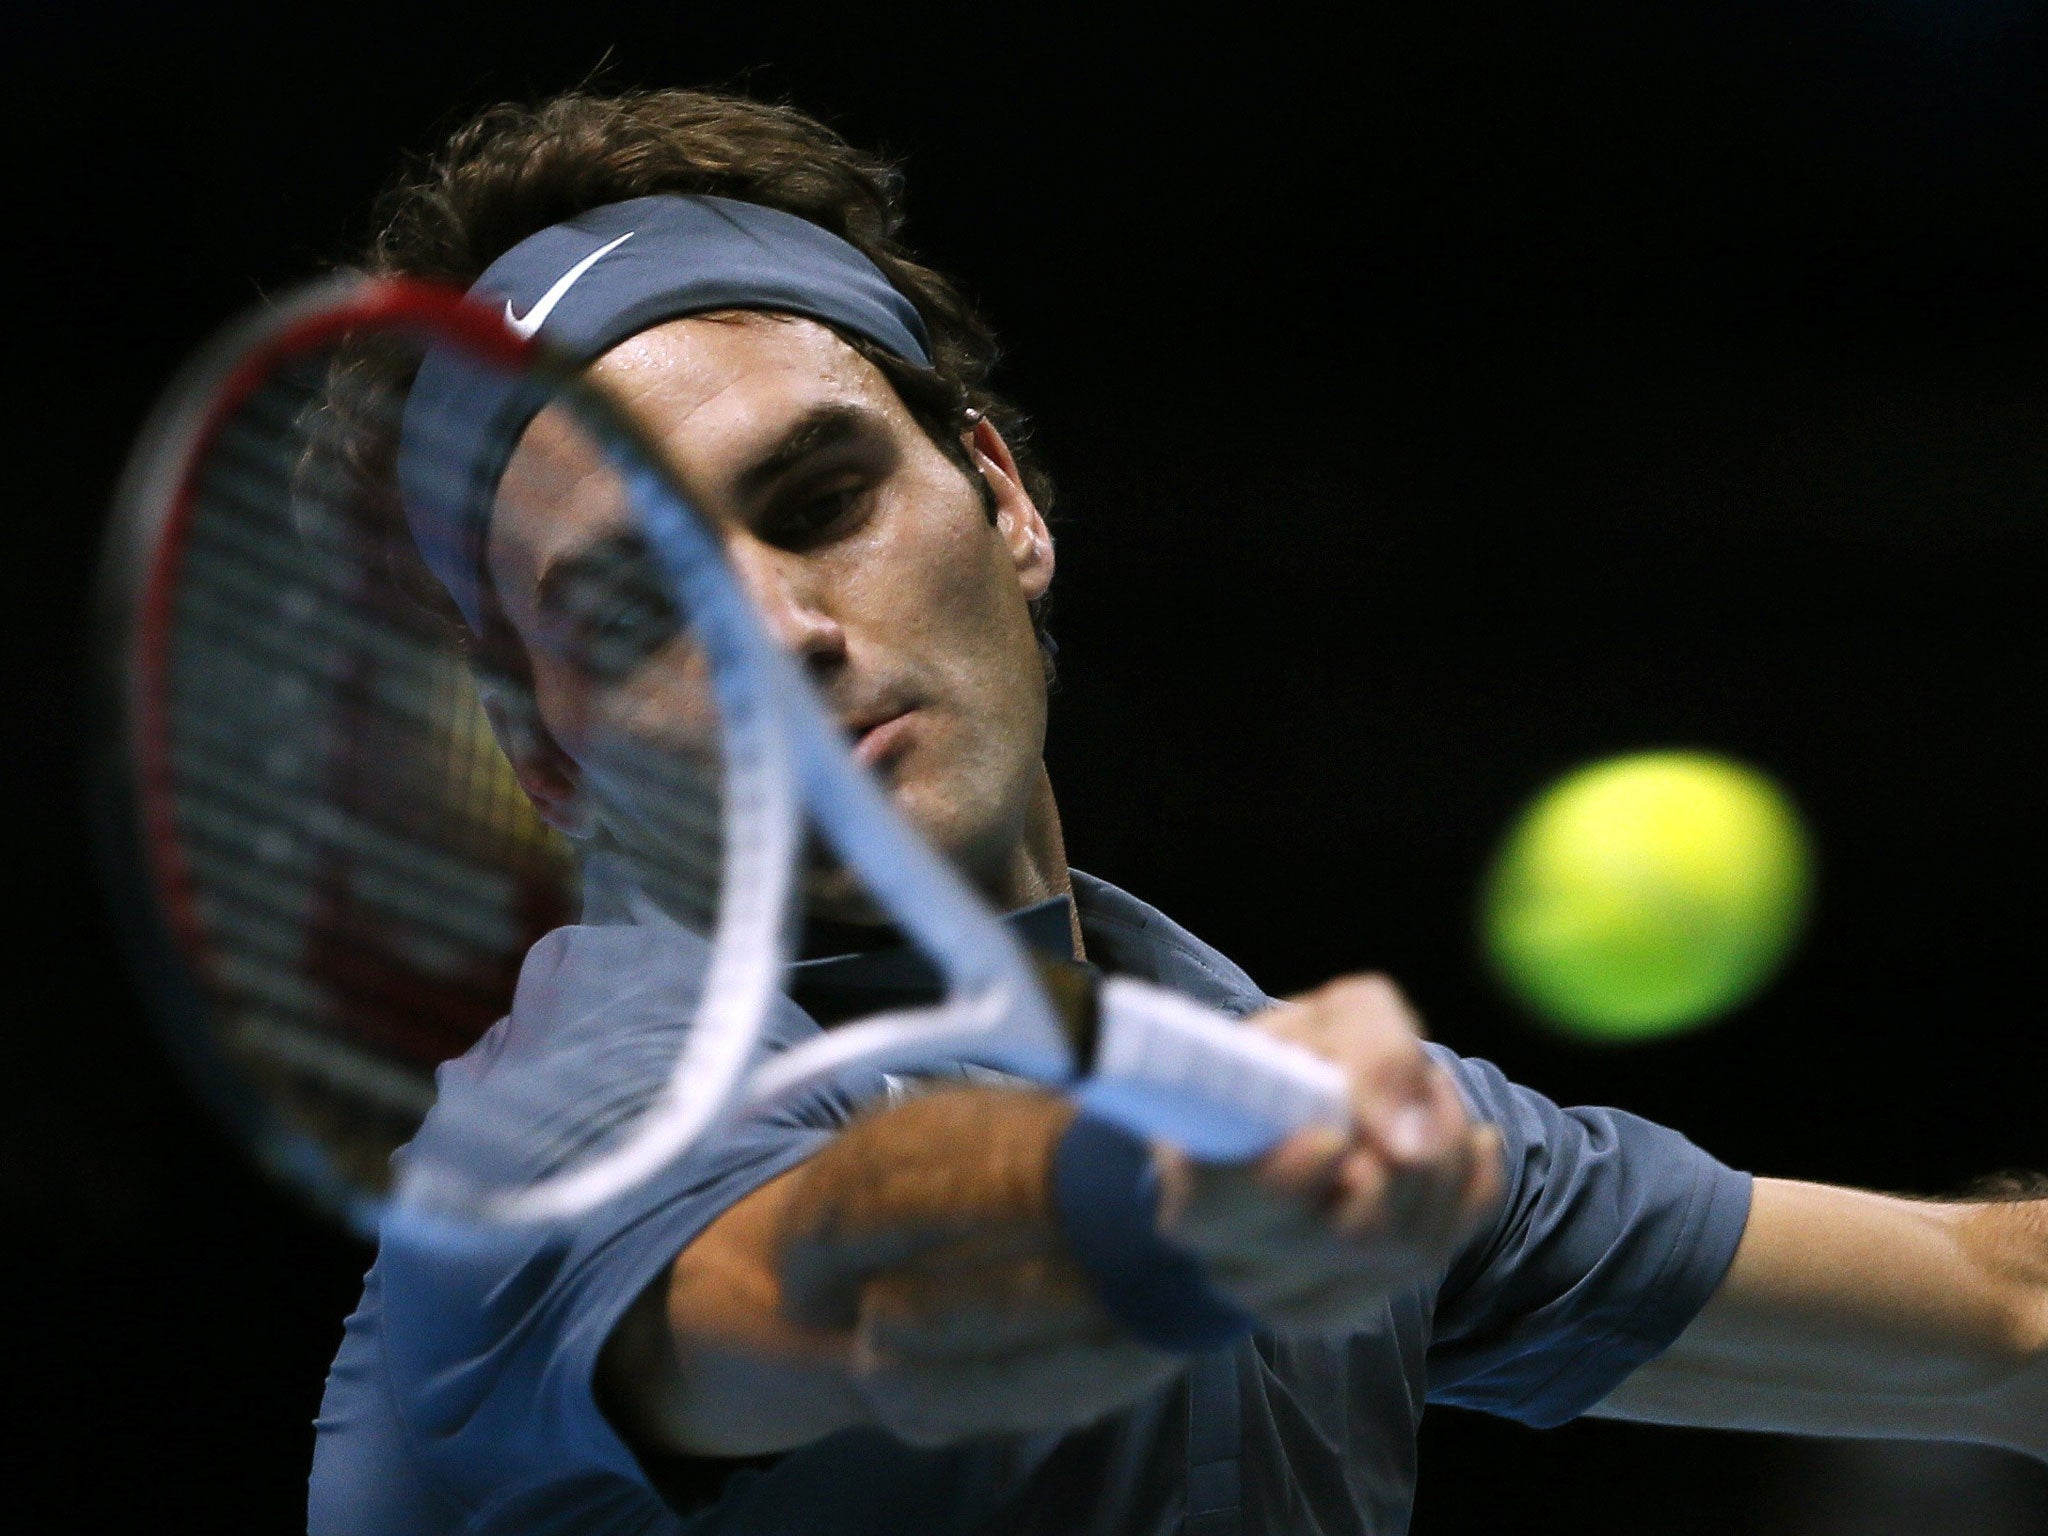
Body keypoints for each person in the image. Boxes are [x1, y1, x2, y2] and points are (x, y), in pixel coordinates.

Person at [308, 87, 2048, 1535]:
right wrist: (1158, 1203)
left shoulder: (1255, 1068)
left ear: (999, 497)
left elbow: (2002, 1318)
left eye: (821, 494)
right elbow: (863, 1287)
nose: (778, 631)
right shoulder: (548, 1146)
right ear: (541, 744)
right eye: (634, 608)